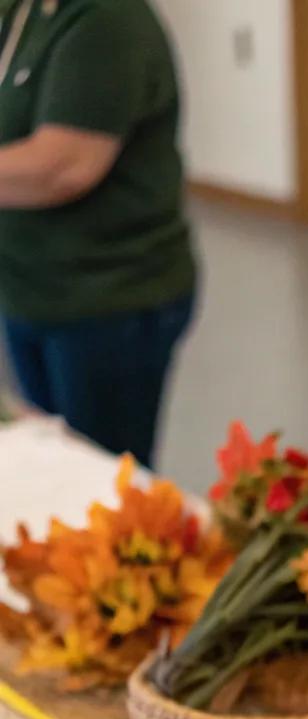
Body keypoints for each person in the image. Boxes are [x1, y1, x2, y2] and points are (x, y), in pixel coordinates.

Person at [0, 0, 196, 465]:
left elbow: (62, 167)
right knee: (49, 460)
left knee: (103, 486)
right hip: (29, 287)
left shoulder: (107, 19)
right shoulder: (22, 13)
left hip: (108, 299)